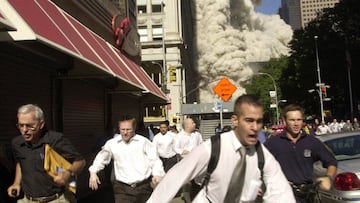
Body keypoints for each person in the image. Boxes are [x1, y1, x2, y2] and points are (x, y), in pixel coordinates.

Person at [147, 94, 295, 203]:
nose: (255, 127)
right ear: (235, 120)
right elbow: (175, 178)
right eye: (249, 121)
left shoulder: (263, 156)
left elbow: (281, 194)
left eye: (259, 122)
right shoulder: (213, 148)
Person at [7, 104, 86, 203]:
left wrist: (68, 173)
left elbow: (80, 161)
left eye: (29, 126)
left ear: (41, 124)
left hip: (56, 199)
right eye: (21, 125)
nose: (24, 130)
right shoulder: (17, 143)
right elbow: (20, 162)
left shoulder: (55, 140)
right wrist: (16, 183)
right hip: (28, 200)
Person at [264, 104, 337, 203]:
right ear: (284, 121)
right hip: (282, 196)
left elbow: (331, 161)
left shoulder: (311, 142)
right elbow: (256, 164)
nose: (296, 123)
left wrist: (329, 178)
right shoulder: (273, 143)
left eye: (299, 120)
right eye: (292, 120)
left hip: (307, 196)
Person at [88, 115, 165, 203]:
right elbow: (101, 158)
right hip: (122, 189)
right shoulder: (112, 144)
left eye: (128, 129)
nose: (125, 132)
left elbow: (154, 160)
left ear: (134, 128)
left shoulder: (143, 142)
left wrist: (157, 174)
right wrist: (93, 172)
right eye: (122, 129)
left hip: (143, 188)